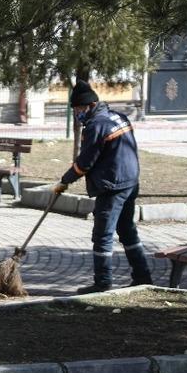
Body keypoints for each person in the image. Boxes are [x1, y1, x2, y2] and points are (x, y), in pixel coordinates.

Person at [52, 80, 152, 294]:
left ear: (89, 105)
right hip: (130, 181)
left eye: (78, 109)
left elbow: (86, 162)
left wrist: (65, 180)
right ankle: (143, 276)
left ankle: (103, 282)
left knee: (103, 235)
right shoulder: (118, 117)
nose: (77, 114)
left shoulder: (97, 125)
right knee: (127, 231)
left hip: (112, 185)